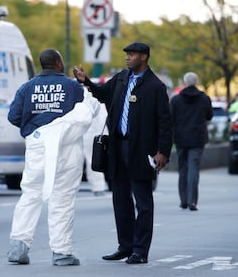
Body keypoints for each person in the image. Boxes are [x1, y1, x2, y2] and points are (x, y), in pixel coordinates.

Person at [73, 42, 173, 264]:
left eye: (132, 54)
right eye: (126, 54)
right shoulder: (121, 78)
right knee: (120, 200)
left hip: (141, 150)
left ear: (144, 57)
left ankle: (140, 251)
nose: (127, 58)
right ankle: (125, 246)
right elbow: (102, 94)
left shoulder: (155, 86)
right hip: (118, 147)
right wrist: (86, 81)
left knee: (143, 202)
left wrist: (163, 152)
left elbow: (165, 122)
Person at [7, 49, 100, 266]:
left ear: (42, 65)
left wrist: (35, 123)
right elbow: (89, 103)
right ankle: (61, 251)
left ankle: (18, 247)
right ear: (58, 63)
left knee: (30, 194)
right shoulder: (72, 87)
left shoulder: (27, 88)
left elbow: (14, 116)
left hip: (37, 146)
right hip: (67, 149)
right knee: (63, 199)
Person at [169, 72, 213, 211]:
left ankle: (183, 200)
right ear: (197, 82)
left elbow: (170, 119)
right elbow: (209, 116)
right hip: (198, 138)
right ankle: (192, 201)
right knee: (194, 169)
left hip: (181, 138)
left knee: (183, 169)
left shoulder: (176, 100)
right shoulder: (204, 99)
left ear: (185, 82)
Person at [83, 102, 108, 196]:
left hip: (92, 132)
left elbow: (102, 119)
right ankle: (98, 186)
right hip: (84, 130)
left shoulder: (95, 98)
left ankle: (98, 186)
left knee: (92, 159)